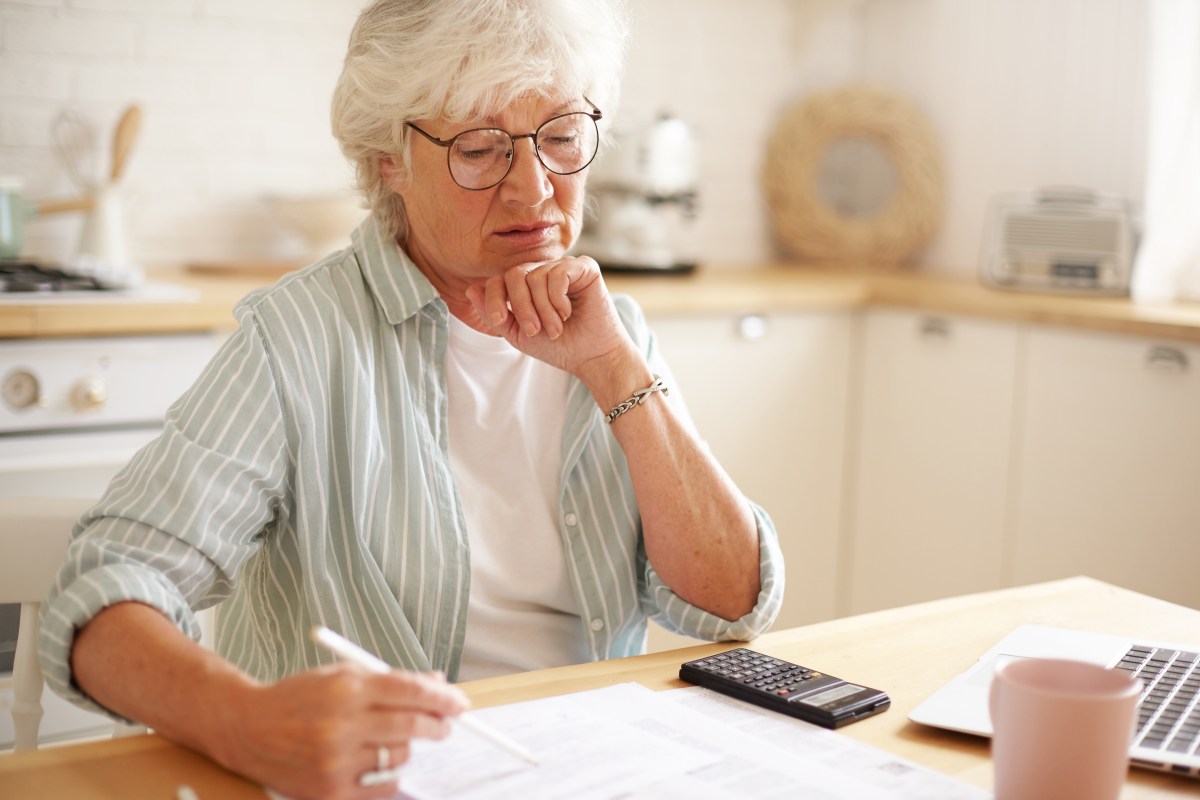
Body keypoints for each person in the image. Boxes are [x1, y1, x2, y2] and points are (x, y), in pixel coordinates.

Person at [40, 0, 784, 797]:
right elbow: (104, 592)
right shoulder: (300, 337)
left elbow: (730, 606)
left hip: (582, 769)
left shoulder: (613, 326)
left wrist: (616, 371)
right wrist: (246, 723)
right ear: (388, 157)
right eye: (480, 148)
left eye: (562, 137)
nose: (534, 188)